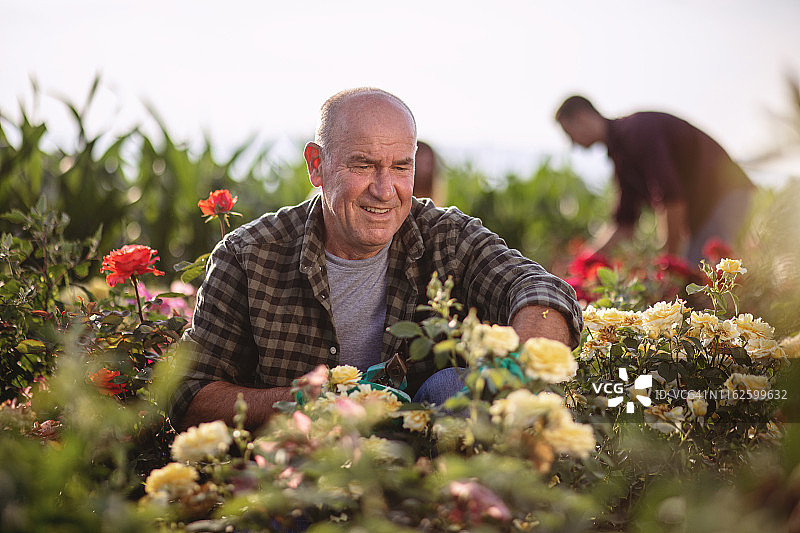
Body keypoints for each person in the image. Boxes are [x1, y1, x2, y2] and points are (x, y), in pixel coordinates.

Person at [170, 88, 583, 431]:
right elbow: (190, 396)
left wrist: (523, 372)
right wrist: (310, 402)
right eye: (363, 165)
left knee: (449, 386)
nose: (385, 190)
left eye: (401, 167)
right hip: (303, 470)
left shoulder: (446, 237)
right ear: (317, 165)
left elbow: (538, 287)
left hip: (429, 469)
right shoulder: (249, 256)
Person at [555, 95, 755, 265]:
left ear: (581, 118)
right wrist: (583, 261)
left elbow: (671, 197)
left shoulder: (637, 131)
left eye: (569, 134)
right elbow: (624, 223)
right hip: (706, 207)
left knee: (698, 277)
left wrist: (668, 262)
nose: (573, 144)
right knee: (692, 279)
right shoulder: (621, 155)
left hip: (727, 193)